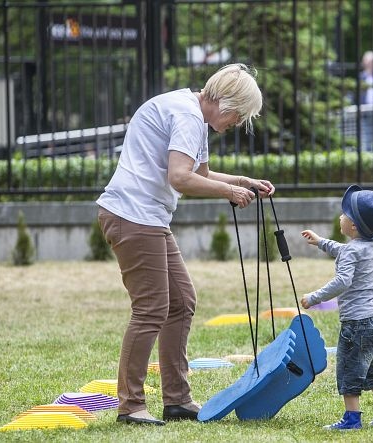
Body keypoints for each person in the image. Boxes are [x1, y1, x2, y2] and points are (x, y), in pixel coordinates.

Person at [96, 63, 275, 426]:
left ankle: (177, 399)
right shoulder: (188, 116)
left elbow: (201, 174)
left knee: (181, 301)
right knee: (151, 309)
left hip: (148, 217)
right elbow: (179, 178)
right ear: (226, 103)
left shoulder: (193, 113)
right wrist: (230, 191)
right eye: (239, 116)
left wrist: (243, 180)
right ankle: (130, 406)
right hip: (133, 215)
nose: (237, 124)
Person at [300, 185, 373, 430]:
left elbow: (342, 281)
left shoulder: (352, 251)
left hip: (357, 322)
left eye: (344, 214)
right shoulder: (369, 246)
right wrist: (321, 242)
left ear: (354, 226)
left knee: (348, 367)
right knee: (369, 366)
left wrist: (314, 297)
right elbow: (345, 250)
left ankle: (351, 419)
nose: (340, 217)